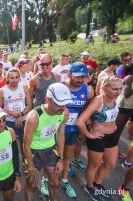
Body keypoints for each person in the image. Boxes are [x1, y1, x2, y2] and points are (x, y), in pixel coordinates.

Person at [76, 76, 123, 201]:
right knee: (94, 166)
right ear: (104, 88)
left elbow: (112, 114)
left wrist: (114, 124)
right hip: (98, 138)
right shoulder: (98, 101)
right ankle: (90, 187)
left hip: (112, 136)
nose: (118, 92)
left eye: (120, 89)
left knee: (110, 164)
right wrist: (89, 134)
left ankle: (97, 184)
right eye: (114, 89)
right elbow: (80, 122)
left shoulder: (114, 98)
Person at [23, 83, 71, 201]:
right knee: (31, 183)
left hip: (50, 149)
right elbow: (26, 144)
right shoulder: (34, 117)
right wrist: (31, 165)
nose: (62, 107)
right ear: (47, 100)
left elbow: (60, 135)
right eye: (59, 104)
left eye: (65, 104)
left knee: (55, 183)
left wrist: (60, 158)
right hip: (34, 151)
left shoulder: (64, 113)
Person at [60, 62, 94, 198]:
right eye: (77, 77)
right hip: (58, 129)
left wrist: (84, 127)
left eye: (83, 77)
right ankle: (46, 179)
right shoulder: (60, 88)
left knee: (68, 155)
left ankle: (64, 180)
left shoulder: (88, 90)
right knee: (54, 156)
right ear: (69, 74)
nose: (80, 80)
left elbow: (87, 108)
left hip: (74, 129)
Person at [0, 68, 32, 159]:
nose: (14, 80)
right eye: (12, 78)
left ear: (19, 78)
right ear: (7, 78)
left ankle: (25, 161)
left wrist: (21, 114)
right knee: (11, 143)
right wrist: (11, 113)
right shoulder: (2, 91)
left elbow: (29, 104)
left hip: (24, 120)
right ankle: (13, 164)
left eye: (17, 77)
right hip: (9, 121)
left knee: (25, 143)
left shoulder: (24, 87)